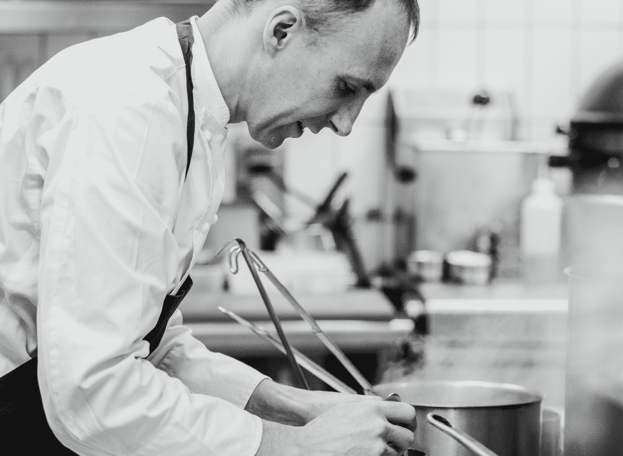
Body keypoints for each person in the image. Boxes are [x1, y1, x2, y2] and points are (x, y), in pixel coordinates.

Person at [0, 0, 419, 454]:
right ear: (281, 31)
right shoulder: (127, 110)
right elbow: (94, 393)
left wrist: (296, 407)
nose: (346, 123)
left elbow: (148, 344)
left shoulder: (190, 111)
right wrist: (297, 446)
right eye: (347, 87)